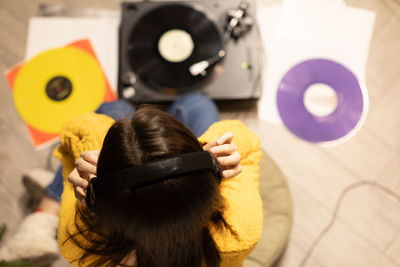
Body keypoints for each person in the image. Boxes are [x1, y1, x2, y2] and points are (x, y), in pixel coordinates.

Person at [0, 93, 263, 267]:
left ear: (95, 200)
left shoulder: (78, 241)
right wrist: (220, 147)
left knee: (115, 108)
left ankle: (44, 214)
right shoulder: (239, 232)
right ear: (211, 180)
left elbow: (76, 127)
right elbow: (249, 144)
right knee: (198, 103)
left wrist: (89, 151)